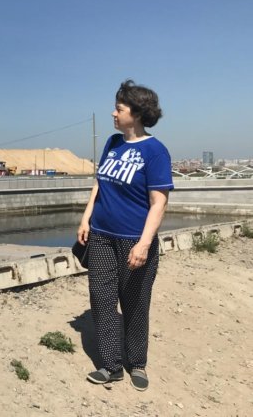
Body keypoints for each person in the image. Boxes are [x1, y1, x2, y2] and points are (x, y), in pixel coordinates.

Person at [77, 80, 173, 390]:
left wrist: (144, 244)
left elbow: (159, 203)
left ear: (137, 113)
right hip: (101, 236)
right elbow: (99, 183)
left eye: (119, 109)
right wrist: (86, 218)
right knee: (102, 299)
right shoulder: (112, 142)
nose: (113, 113)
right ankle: (111, 365)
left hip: (135, 240)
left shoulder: (155, 151)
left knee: (135, 303)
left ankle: (137, 363)